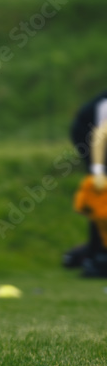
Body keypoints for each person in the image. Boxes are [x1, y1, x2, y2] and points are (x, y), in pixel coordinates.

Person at [65, 90, 107, 277]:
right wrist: (97, 171)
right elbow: (100, 135)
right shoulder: (104, 105)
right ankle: (97, 258)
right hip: (88, 135)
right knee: (101, 199)